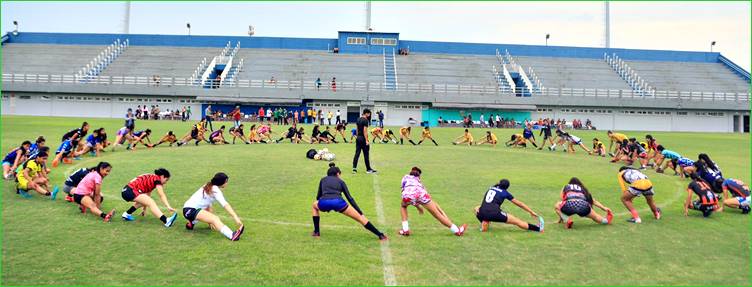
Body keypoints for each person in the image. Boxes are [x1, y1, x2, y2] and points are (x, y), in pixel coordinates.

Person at [311, 164, 387, 240]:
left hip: (324, 203)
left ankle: (316, 232)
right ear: (338, 174)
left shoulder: (323, 180)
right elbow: (350, 198)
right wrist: (359, 211)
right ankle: (380, 235)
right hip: (339, 203)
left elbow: (318, 196)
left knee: (314, 206)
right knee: (360, 218)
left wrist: (324, 204)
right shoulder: (341, 182)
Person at [398, 167, 467, 236]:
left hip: (407, 196)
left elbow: (408, 193)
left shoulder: (405, 177)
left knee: (403, 206)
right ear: (419, 176)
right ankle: (457, 230)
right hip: (421, 195)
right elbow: (425, 198)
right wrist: (442, 214)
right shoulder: (419, 183)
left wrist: (418, 207)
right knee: (437, 215)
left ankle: (405, 229)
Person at [183, 172, 245, 241]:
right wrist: (235, 217)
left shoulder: (209, 185)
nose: (227, 183)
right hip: (190, 210)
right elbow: (225, 204)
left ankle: (191, 223)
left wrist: (209, 222)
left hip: (188, 210)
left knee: (212, 218)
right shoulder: (215, 190)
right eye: (226, 181)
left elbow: (208, 205)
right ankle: (232, 235)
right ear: (221, 182)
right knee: (215, 219)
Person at [474, 179, 544, 233]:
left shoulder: (491, 188)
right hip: (495, 213)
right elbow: (520, 204)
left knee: (476, 208)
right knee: (517, 221)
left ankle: (485, 222)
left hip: (481, 212)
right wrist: (531, 211)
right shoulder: (505, 193)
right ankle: (538, 228)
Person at [352, 109, 376, 174]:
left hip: (358, 138)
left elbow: (356, 129)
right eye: (369, 114)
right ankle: (368, 169)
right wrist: (366, 140)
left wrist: (357, 137)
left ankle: (354, 169)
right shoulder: (365, 120)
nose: (369, 115)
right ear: (366, 113)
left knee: (357, 153)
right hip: (363, 138)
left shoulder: (358, 119)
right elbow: (365, 131)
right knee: (366, 154)